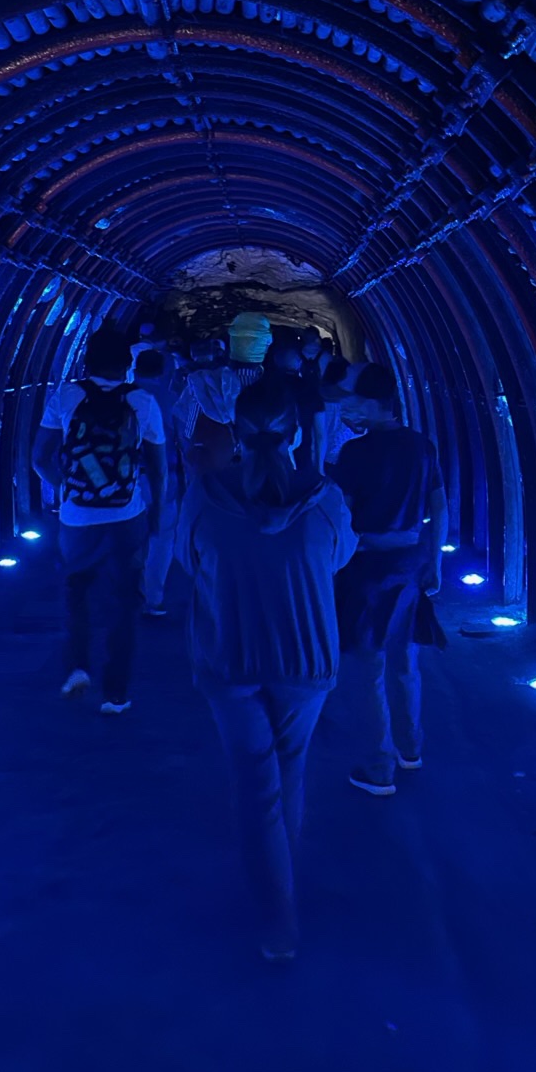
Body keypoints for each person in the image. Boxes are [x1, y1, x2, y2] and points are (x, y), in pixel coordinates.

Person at [179, 379, 356, 961]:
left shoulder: (205, 496)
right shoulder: (325, 499)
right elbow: (339, 559)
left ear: (235, 433)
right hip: (305, 656)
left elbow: (188, 560)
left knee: (255, 784)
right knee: (290, 773)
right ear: (297, 434)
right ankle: (284, 888)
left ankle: (278, 917)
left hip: (229, 655)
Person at [33, 326, 167, 715]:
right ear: (127, 364)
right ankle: (116, 693)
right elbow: (158, 468)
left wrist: (66, 488)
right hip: (127, 515)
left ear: (86, 360)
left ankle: (78, 666)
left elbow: (39, 458)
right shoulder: (142, 401)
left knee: (76, 591)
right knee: (124, 602)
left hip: (77, 517)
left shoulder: (66, 396)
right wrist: (157, 513)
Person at [329, 364, 447, 796]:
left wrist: (339, 559)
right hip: (410, 565)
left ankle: (379, 768)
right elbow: (440, 507)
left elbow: (341, 517)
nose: (351, 408)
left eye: (355, 400)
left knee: (369, 665)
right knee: (405, 659)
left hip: (367, 571)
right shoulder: (422, 446)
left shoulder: (354, 453)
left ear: (373, 403)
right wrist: (434, 561)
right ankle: (410, 748)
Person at [181, 310, 271, 474]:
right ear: (264, 347)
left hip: (216, 472)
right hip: (261, 471)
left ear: (232, 344)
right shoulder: (274, 391)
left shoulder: (204, 383)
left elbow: (189, 432)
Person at [132, 347, 182, 616]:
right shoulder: (172, 399)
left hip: (127, 478)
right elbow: (183, 442)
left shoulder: (122, 397)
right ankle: (154, 597)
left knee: (129, 535)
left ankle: (131, 591)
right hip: (166, 477)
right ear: (163, 372)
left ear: (134, 370)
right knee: (162, 537)